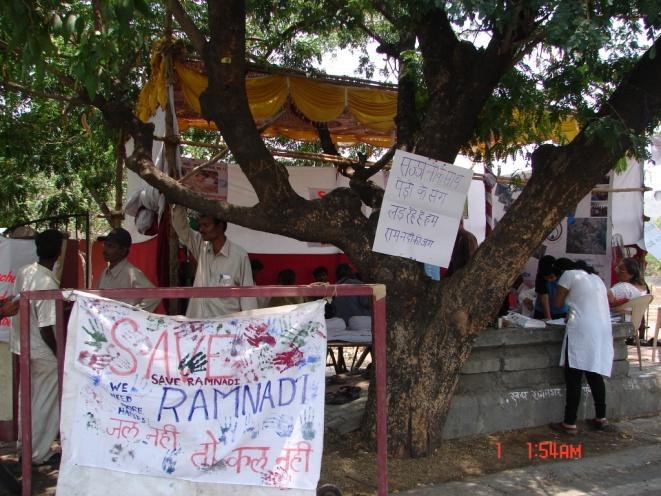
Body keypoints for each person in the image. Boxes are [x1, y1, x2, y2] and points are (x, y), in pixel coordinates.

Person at [11, 229, 64, 465]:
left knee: (29, 399)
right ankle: (38, 453)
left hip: (23, 346)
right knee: (44, 403)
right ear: (59, 251)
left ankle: (25, 446)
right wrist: (59, 354)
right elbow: (47, 328)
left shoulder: (25, 272)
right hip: (42, 351)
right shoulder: (46, 281)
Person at [551, 258, 614, 434]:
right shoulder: (596, 278)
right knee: (594, 373)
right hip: (601, 328)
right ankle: (601, 417)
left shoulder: (568, 275)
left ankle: (569, 422)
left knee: (574, 375)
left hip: (581, 329)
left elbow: (557, 303)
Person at [171, 205, 257, 318]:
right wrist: (177, 203)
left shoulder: (239, 256)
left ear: (220, 226)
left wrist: (249, 326)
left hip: (225, 328)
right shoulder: (202, 247)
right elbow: (181, 228)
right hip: (198, 324)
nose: (201, 229)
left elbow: (248, 298)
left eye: (206, 225)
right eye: (200, 225)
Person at [97, 228, 161, 312]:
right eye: (105, 245)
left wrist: (134, 314)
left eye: (110, 246)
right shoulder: (104, 273)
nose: (105, 250)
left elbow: (155, 295)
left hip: (123, 323)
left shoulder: (131, 273)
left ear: (123, 251)